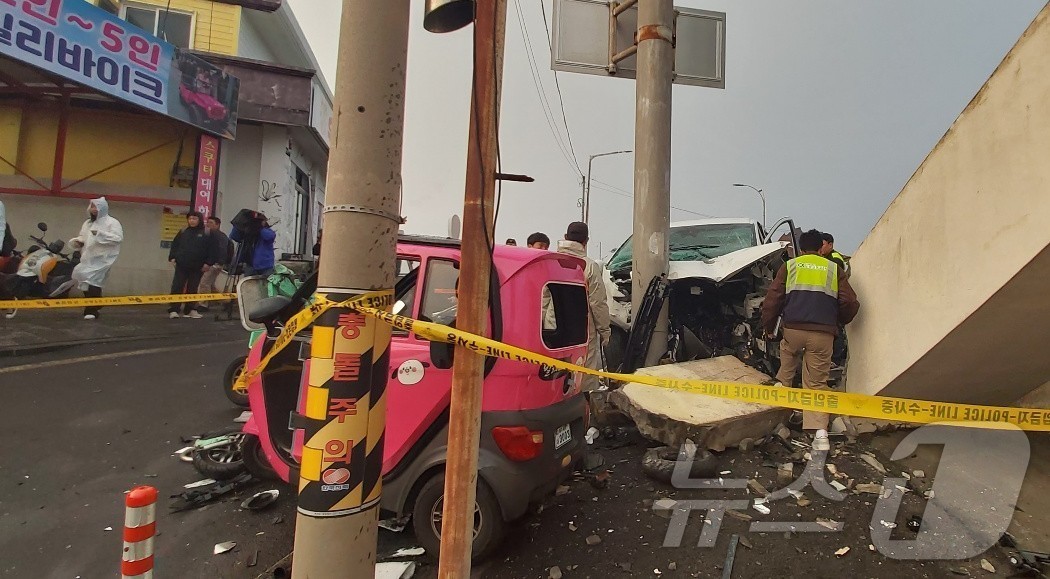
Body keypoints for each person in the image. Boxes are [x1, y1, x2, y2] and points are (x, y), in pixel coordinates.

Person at [761, 229, 860, 451]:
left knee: (786, 370)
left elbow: (772, 300)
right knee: (816, 383)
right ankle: (820, 434)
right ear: (820, 248)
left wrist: (769, 327)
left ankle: (776, 423)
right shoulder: (834, 269)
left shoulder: (790, 266)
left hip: (793, 330)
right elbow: (851, 302)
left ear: (802, 248)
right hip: (822, 335)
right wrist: (838, 322)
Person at [556, 222, 611, 392]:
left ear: (565, 237)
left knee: (555, 370)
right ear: (586, 241)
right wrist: (605, 331)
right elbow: (597, 303)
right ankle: (582, 408)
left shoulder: (552, 261)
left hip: (551, 329)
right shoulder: (589, 266)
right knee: (584, 373)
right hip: (582, 331)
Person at [69, 197, 123, 320]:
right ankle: (96, 303)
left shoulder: (112, 223)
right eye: (91, 207)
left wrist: (100, 234)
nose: (93, 210)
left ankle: (91, 310)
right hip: (88, 258)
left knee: (93, 282)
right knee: (82, 277)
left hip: (103, 259)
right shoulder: (88, 223)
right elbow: (83, 236)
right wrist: (78, 242)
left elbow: (118, 238)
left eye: (95, 207)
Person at [167, 212, 214, 319]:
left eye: (194, 218)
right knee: (177, 287)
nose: (192, 221)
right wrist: (172, 257)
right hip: (181, 264)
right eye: (190, 218)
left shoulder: (207, 233)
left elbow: (212, 249)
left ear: (200, 220)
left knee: (193, 288)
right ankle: (174, 309)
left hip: (198, 266)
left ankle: (190, 310)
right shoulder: (183, 232)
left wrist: (208, 263)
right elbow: (175, 245)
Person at [197, 216, 232, 311]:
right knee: (211, 285)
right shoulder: (216, 235)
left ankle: (203, 304)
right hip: (214, 263)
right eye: (207, 222)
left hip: (214, 264)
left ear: (217, 225)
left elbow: (221, 250)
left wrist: (217, 263)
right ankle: (227, 301)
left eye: (211, 223)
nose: (208, 224)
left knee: (204, 283)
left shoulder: (217, 235)